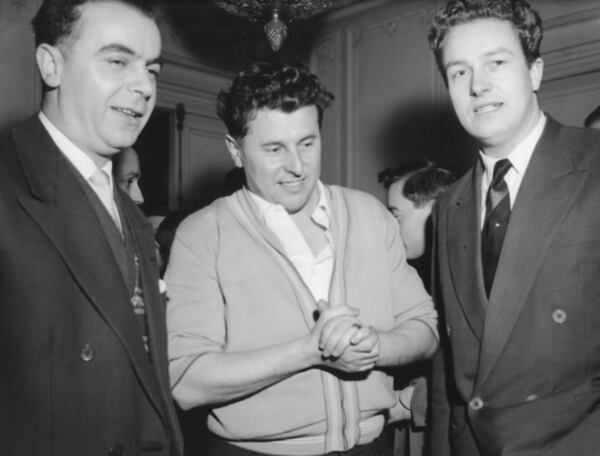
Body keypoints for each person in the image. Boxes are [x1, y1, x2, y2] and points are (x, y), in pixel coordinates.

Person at [166, 61, 439, 456]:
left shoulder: (369, 215)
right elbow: (185, 382)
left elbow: (425, 328)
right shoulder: (201, 235)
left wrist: (375, 346)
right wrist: (310, 351)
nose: (296, 166)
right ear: (235, 151)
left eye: (307, 143)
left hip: (373, 446)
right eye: (274, 149)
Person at [0, 1, 183, 455]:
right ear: (51, 65)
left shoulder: (135, 217)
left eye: (152, 70)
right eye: (118, 61)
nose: (143, 87)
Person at [427, 1, 600, 455]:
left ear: (535, 71)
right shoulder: (448, 206)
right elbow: (449, 367)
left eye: (496, 63)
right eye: (459, 73)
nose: (478, 86)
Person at [379, 161, 456, 456]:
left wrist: (410, 401)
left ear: (434, 210)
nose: (390, 229)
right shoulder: (415, 273)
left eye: (395, 215)